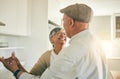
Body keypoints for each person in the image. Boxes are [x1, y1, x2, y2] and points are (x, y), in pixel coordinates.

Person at [0, 3, 107, 79]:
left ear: (71, 22)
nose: (63, 27)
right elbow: (35, 75)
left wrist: (15, 70)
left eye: (63, 21)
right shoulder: (97, 43)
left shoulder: (71, 52)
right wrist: (19, 67)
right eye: (57, 33)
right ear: (51, 39)